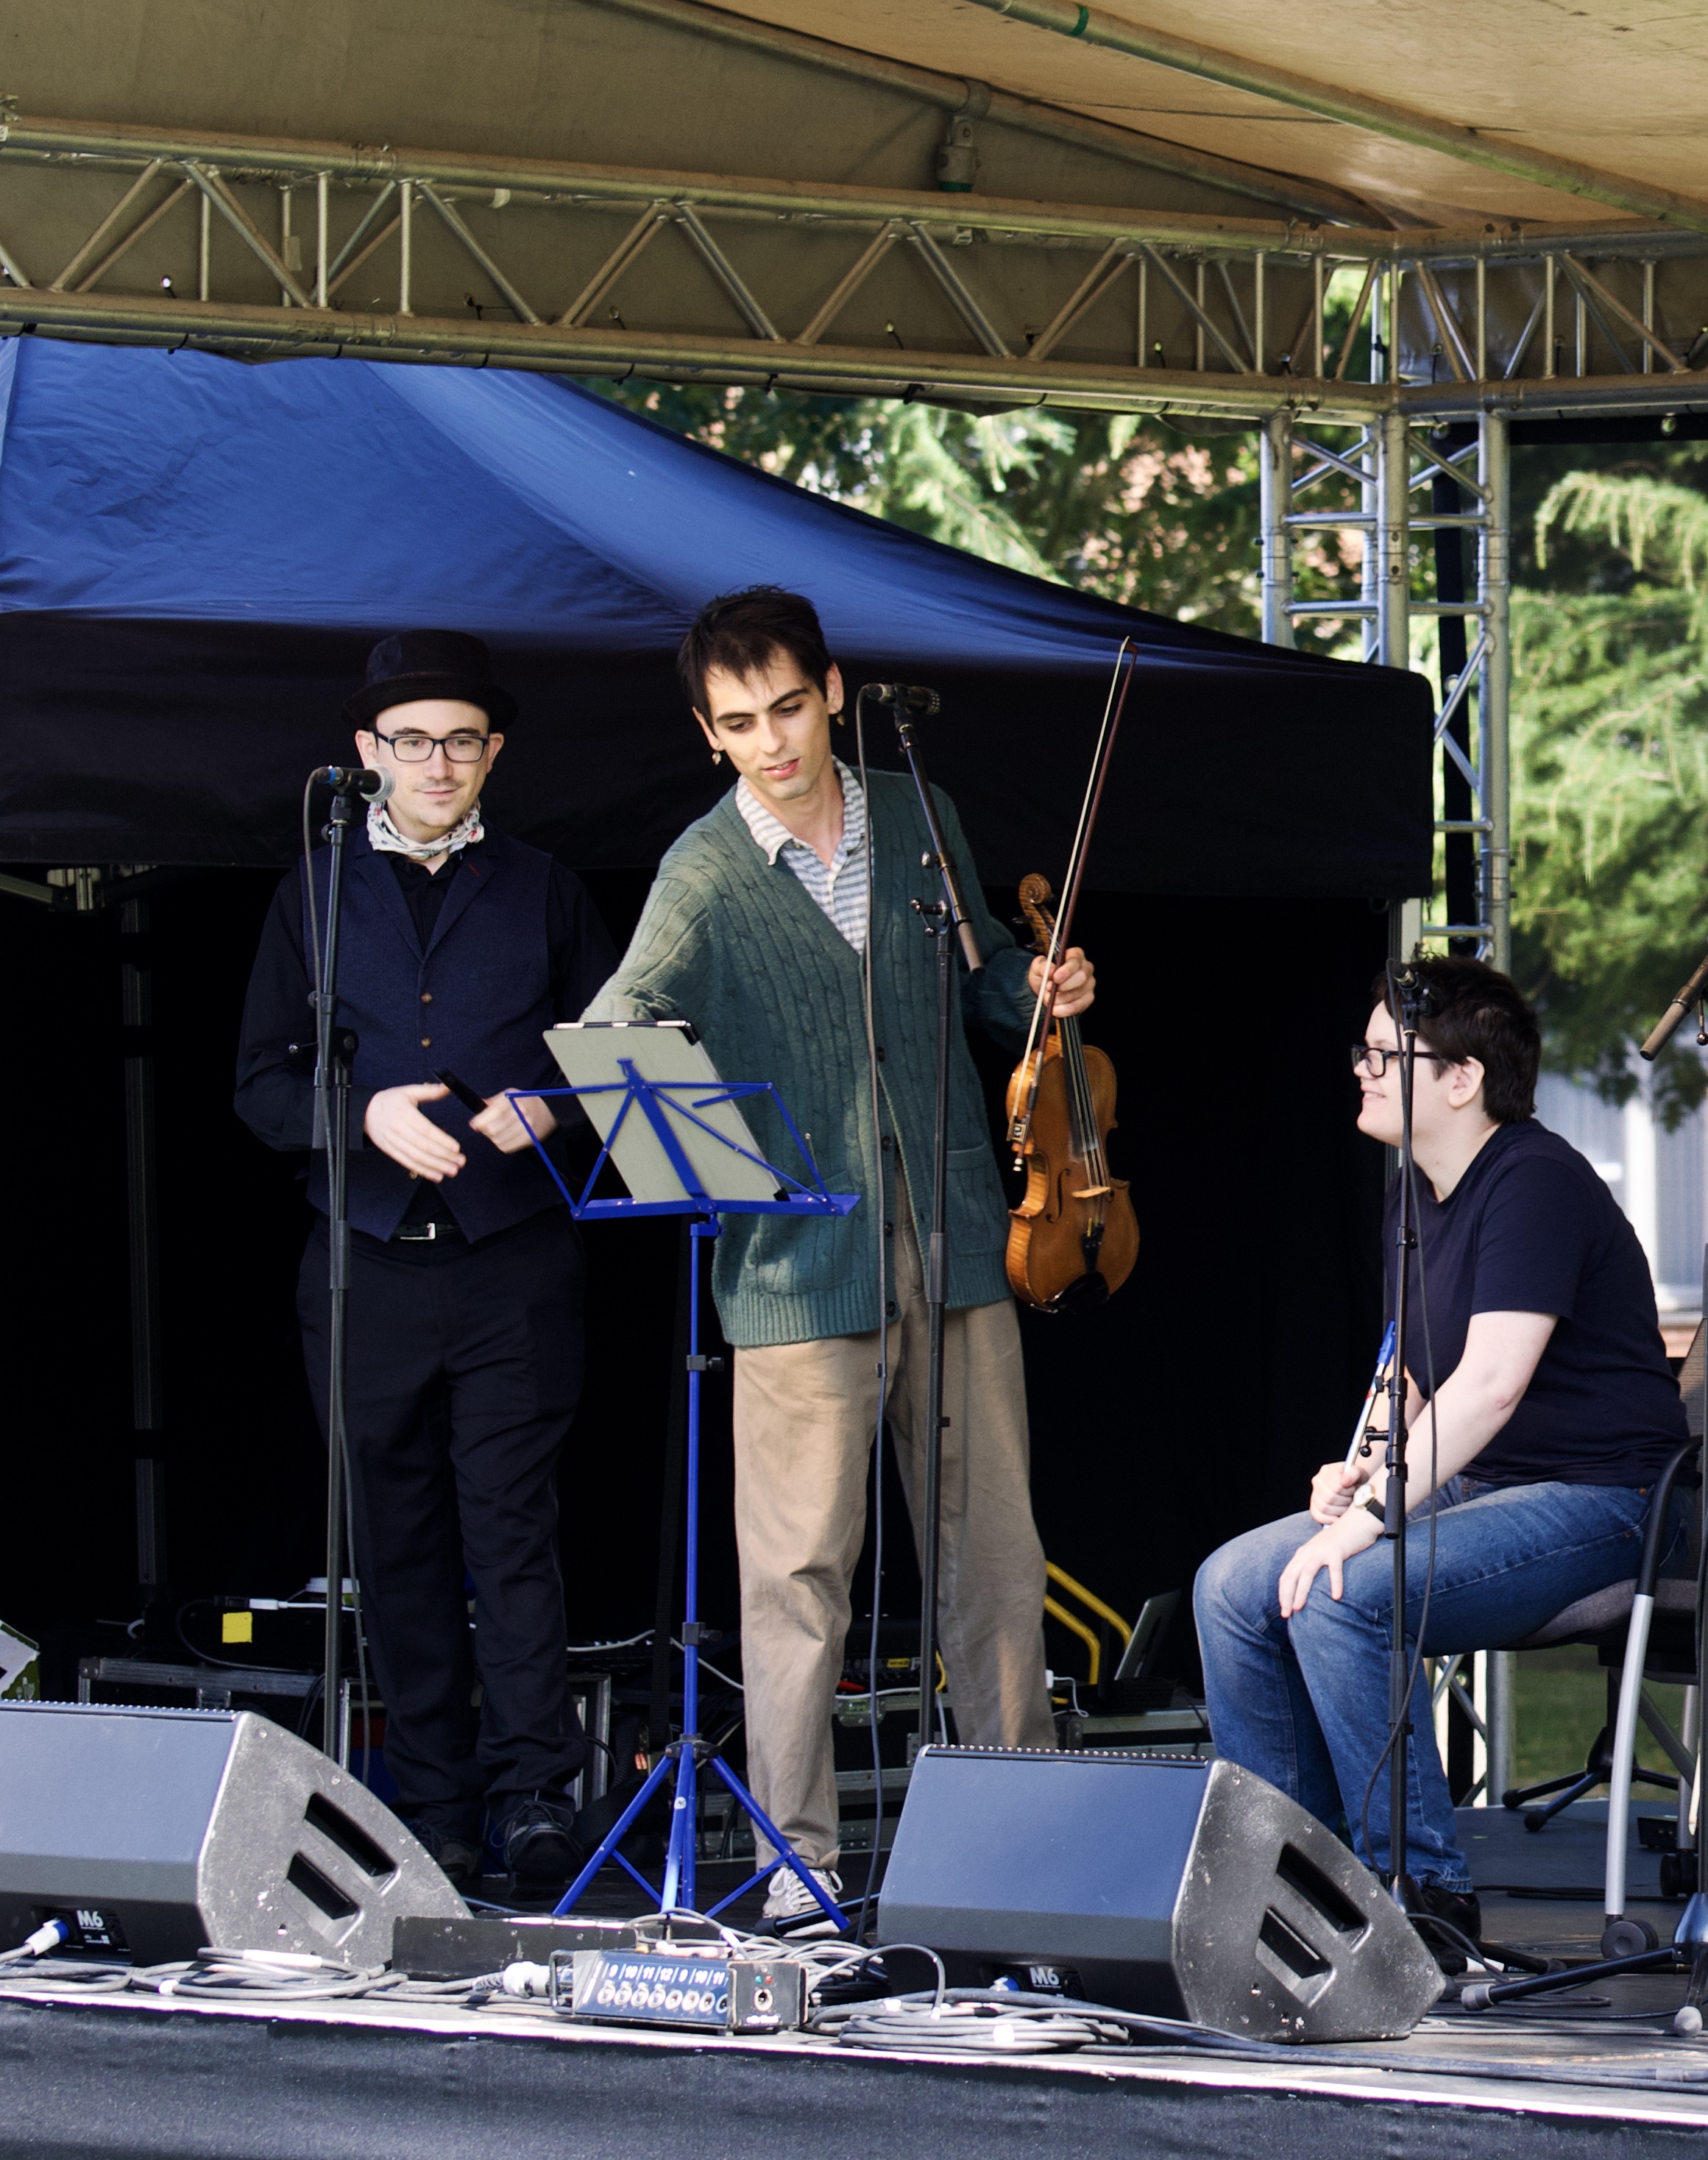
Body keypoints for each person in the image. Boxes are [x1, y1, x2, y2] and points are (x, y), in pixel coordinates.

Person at [582, 586, 1094, 1922]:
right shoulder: (704, 870)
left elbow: (980, 980)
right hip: (799, 1264)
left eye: (791, 709)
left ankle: (1017, 1838)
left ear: (833, 690)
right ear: (708, 733)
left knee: (993, 1556)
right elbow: (618, 1018)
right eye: (740, 723)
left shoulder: (918, 816)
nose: (774, 743)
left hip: (963, 1232)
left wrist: (1030, 989)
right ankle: (796, 1866)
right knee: (798, 1575)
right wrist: (719, 1156)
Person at [1192, 957, 1686, 1952]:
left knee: (1345, 1588)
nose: (1363, 1071)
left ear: (1461, 1078)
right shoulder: (1413, 1197)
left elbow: (1492, 1382)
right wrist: (1363, 1466)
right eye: (1364, 1052)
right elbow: (1412, 1375)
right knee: (1231, 1585)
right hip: (1484, 1483)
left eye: (1387, 1054)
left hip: (1605, 1495)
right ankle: (1291, 1883)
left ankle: (1415, 1897)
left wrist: (1375, 1520)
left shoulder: (1535, 1182)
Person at [235, 630, 618, 1891]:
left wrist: (551, 1108)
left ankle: (531, 1801)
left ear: (494, 753)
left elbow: (610, 1049)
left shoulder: (549, 886)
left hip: (516, 1260)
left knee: (512, 1536)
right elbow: (259, 1083)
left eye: (460, 739)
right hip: (365, 1266)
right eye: (411, 741)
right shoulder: (315, 885)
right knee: (394, 1546)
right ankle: (435, 1810)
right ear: (367, 754)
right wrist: (360, 1115)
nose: (436, 761)